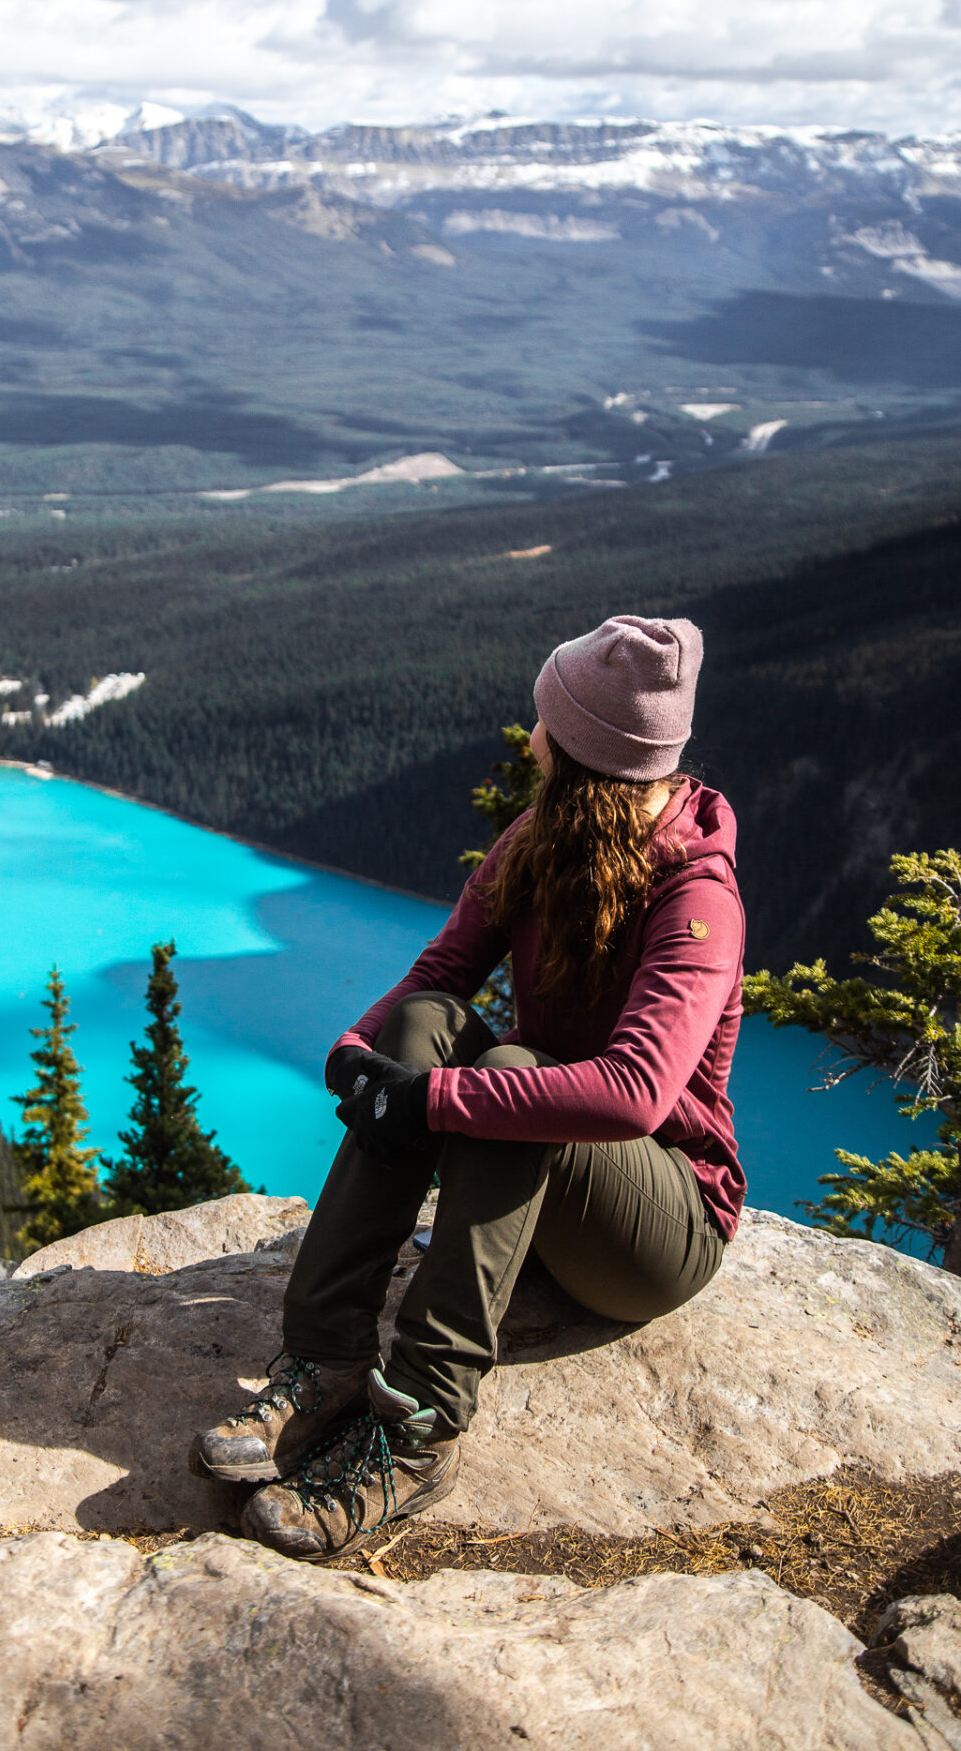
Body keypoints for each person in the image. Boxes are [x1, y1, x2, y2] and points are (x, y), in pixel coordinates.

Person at [189, 614, 746, 1561]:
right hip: (547, 1187)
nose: (530, 736)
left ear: (578, 750)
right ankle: (326, 1355)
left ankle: (418, 1430)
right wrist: (357, 1052)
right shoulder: (543, 836)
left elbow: (636, 1096)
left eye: (546, 722)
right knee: (424, 1030)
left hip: (657, 1230)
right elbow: (441, 973)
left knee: (501, 1077)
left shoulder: (698, 898)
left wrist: (434, 1104)